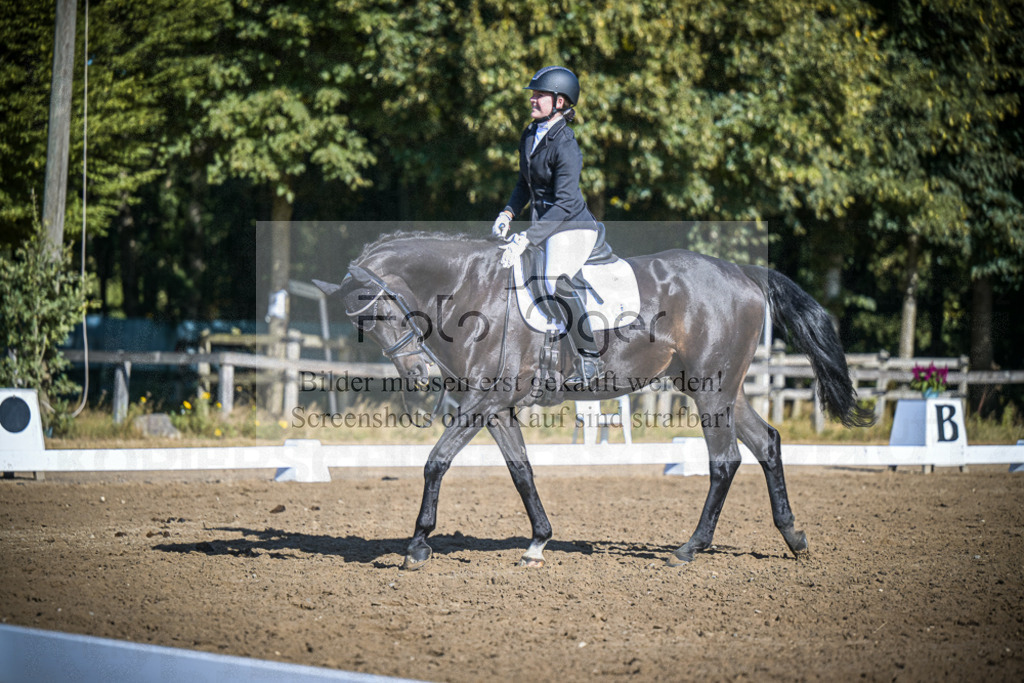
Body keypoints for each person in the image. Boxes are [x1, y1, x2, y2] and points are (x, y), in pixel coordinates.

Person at [491, 65, 603, 386]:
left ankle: (589, 359)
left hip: (572, 227)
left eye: (539, 95)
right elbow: (524, 185)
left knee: (554, 282)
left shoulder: (566, 145)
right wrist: (508, 214)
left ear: (559, 102)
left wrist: (526, 238)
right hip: (544, 227)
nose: (533, 100)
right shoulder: (529, 134)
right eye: (533, 94)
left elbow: (566, 202)